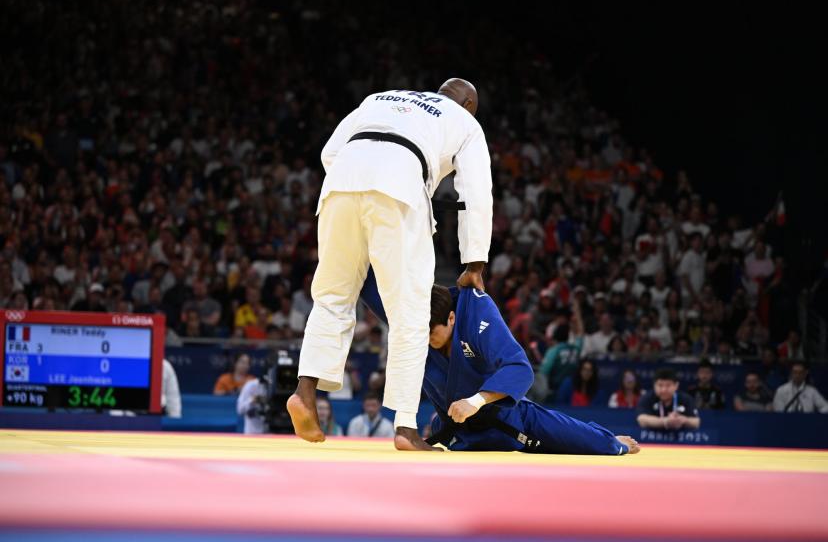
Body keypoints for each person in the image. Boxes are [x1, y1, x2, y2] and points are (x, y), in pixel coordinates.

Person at [288, 79, 494, 451]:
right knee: (411, 314)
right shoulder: (464, 121)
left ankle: (305, 392)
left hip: (340, 184)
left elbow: (329, 152)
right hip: (398, 189)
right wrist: (474, 262)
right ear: (467, 104)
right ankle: (405, 427)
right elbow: (477, 193)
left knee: (332, 297)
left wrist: (363, 181)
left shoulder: (380, 97)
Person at [359, 269, 639, 455]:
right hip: (456, 430)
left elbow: (519, 368)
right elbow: (373, 289)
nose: (425, 339)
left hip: (507, 422)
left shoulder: (477, 313)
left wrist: (477, 401)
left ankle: (610, 440)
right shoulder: (413, 324)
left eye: (432, 333)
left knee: (593, 443)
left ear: (452, 319)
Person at [636, 368, 701, 430]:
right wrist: (665, 421)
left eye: (668, 385)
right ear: (654, 385)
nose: (664, 390)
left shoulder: (686, 398)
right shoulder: (647, 398)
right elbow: (641, 419)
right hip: (651, 439)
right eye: (660, 385)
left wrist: (683, 420)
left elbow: (696, 422)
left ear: (676, 385)